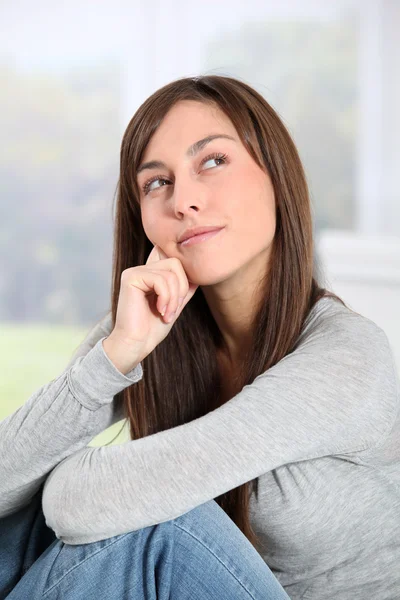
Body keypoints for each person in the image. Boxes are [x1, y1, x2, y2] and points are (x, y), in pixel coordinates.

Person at [0, 75, 399, 600]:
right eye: (156, 182)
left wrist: (66, 478)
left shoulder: (347, 359)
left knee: (161, 528)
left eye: (212, 161)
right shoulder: (152, 319)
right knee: (19, 525)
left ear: (276, 177)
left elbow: (81, 503)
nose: (183, 200)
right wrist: (116, 354)